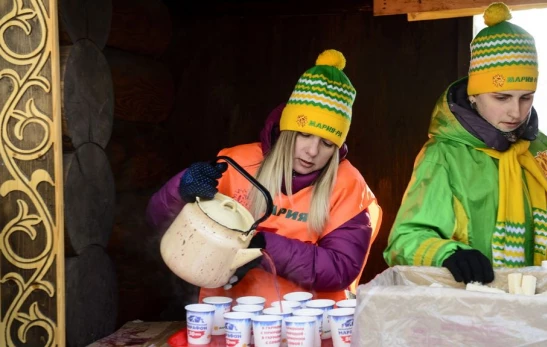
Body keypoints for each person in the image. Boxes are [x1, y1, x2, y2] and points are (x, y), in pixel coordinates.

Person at [147, 49, 382, 304]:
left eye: (326, 143)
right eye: (304, 135)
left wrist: (260, 247)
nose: (312, 151)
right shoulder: (237, 164)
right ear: (287, 130)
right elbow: (158, 220)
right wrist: (181, 189)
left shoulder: (347, 184)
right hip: (229, 317)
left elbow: (340, 268)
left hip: (308, 326)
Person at [383, 2, 547, 284]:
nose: (516, 112)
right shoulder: (444, 155)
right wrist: (449, 253)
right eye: (501, 97)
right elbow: (403, 241)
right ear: (474, 94)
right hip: (470, 306)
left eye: (526, 97)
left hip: (538, 303)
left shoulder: (542, 150)